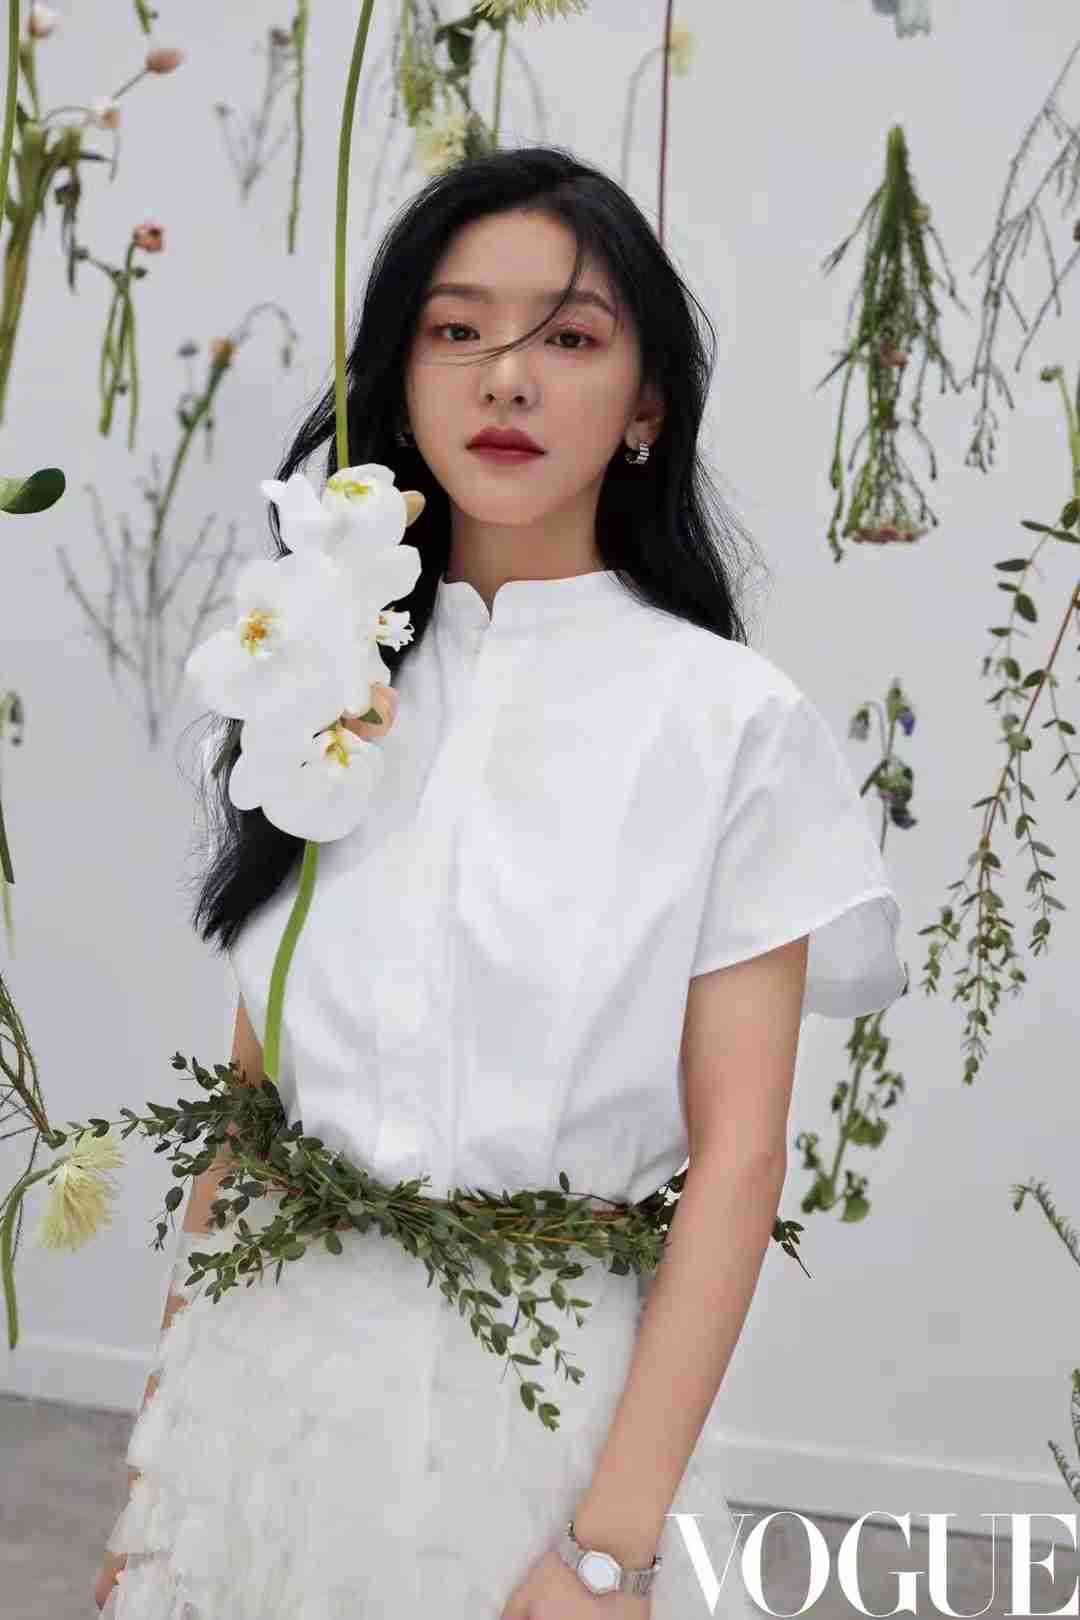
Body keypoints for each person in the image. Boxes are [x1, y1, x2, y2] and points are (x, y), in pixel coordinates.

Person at [94, 144, 907, 1618]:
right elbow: (250, 1120)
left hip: (544, 1430)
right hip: (258, 1413)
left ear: (647, 404)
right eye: (457, 330)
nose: (507, 379)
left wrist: (610, 1547)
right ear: (400, 380)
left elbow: (738, 1165)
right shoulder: (319, 678)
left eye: (571, 339)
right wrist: (152, 1491)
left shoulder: (728, 724)